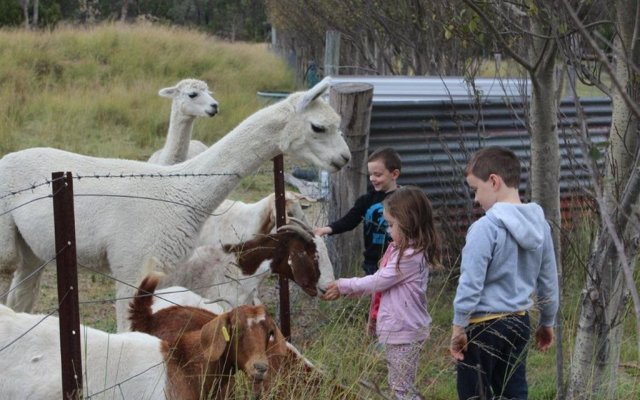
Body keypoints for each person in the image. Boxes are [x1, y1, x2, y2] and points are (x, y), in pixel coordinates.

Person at [449, 146, 559, 400]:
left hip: (482, 326)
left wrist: (458, 326)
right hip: (519, 321)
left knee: (473, 394)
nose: (475, 199)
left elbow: (470, 283)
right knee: (513, 391)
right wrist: (547, 321)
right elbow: (548, 280)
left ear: (494, 181)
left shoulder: (484, 228)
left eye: (476, 189)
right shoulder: (541, 226)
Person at [322, 186, 442, 400]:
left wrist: (343, 285)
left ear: (408, 222)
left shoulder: (409, 257)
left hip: (404, 331)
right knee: (399, 386)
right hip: (401, 329)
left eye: (391, 225)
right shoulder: (401, 249)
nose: (388, 230)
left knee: (401, 390)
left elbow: (378, 281)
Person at [314, 147, 401, 276]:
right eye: (370, 174)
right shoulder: (367, 200)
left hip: (398, 260)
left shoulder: (405, 199)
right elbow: (350, 220)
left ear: (394, 174)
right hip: (373, 263)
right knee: (376, 295)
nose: (372, 178)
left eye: (378, 175)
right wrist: (325, 229)